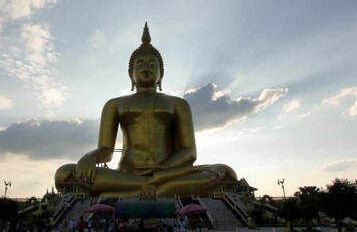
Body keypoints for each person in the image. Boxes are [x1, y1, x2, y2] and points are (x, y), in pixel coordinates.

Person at [55, 23, 238, 198]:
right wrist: (89, 158)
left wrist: (164, 168)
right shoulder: (114, 104)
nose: (146, 67)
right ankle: (158, 189)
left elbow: (189, 152)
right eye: (140, 63)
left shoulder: (178, 104)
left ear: (161, 74)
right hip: (127, 174)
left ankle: (137, 190)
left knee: (224, 171)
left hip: (169, 172)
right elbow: (106, 151)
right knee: (64, 173)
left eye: (152, 63)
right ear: (131, 74)